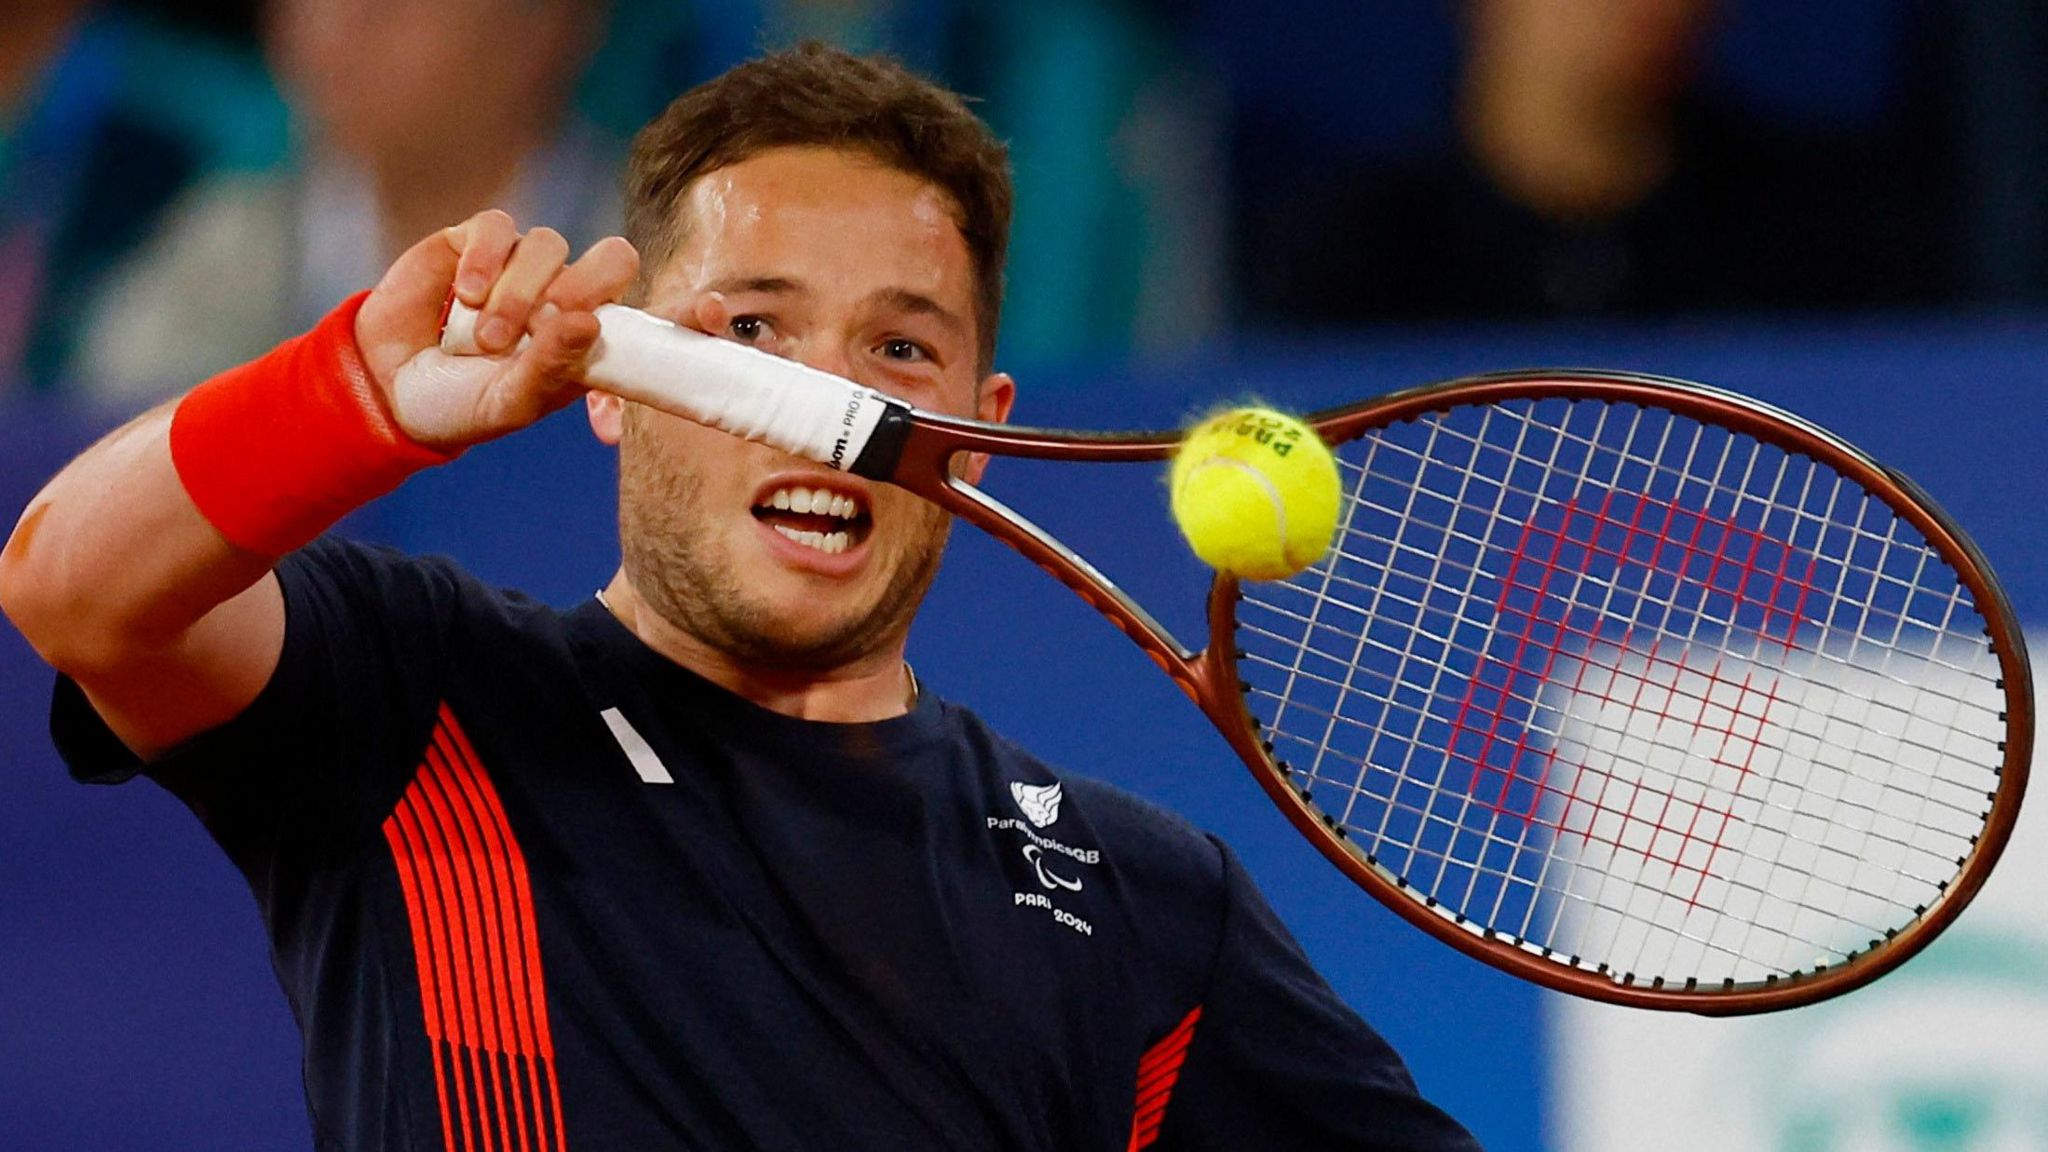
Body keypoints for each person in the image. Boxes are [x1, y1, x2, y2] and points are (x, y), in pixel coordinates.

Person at [0, 43, 1481, 1151]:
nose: (824, 404)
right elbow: (74, 586)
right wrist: (350, 401)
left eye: (902, 352)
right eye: (752, 331)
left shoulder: (1142, 901)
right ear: (616, 385)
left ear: (983, 421)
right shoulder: (415, 694)